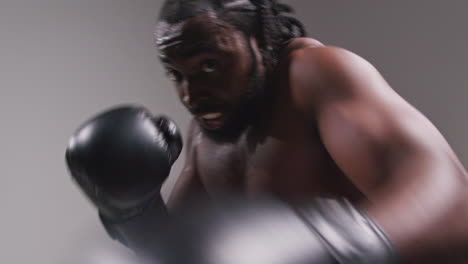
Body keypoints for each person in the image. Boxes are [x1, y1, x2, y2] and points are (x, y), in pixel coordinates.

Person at [66, 0, 468, 263]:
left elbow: (455, 203)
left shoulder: (315, 76)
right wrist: (132, 211)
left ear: (259, 43)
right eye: (176, 74)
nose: (189, 95)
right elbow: (181, 252)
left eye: (209, 64)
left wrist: (323, 246)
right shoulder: (207, 134)